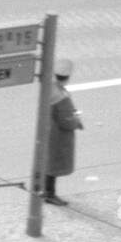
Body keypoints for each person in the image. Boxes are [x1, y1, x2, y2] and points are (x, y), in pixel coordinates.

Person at [43, 58, 84, 206]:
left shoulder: (51, 88)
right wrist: (77, 121)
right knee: (54, 166)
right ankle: (49, 194)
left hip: (48, 131)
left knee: (48, 163)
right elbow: (66, 120)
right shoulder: (61, 97)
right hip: (59, 137)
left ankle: (44, 190)